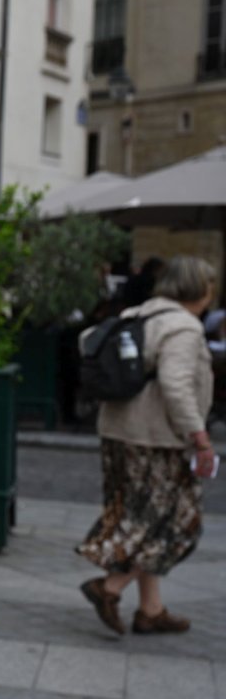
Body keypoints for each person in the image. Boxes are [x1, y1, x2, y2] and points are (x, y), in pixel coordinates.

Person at [77, 255, 221, 635]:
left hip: (117, 432)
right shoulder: (183, 328)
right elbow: (175, 385)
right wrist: (199, 437)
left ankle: (151, 610)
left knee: (139, 518)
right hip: (157, 438)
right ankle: (108, 587)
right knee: (177, 524)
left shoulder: (136, 314)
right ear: (200, 289)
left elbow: (86, 341)